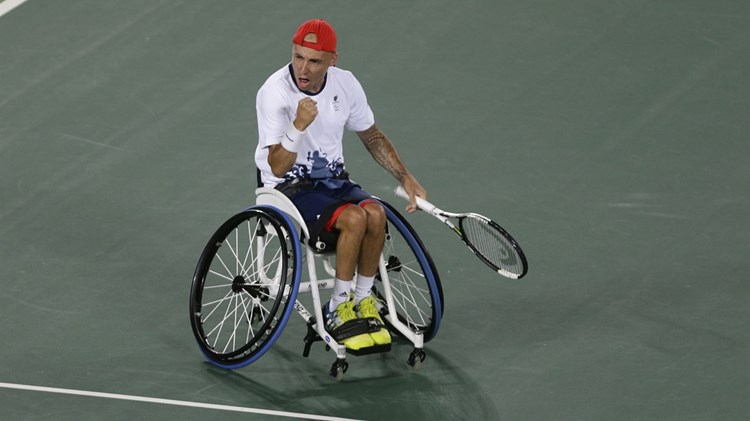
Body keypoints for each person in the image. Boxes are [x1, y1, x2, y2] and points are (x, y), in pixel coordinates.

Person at [254, 18, 427, 351]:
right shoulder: (274, 92)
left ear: (332, 61)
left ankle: (362, 303)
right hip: (288, 187)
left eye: (314, 60)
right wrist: (298, 126)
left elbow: (372, 136)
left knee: (375, 213)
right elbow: (276, 164)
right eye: (298, 56)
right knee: (353, 218)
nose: (303, 68)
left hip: (333, 182)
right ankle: (337, 308)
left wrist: (404, 175)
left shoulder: (345, 84)